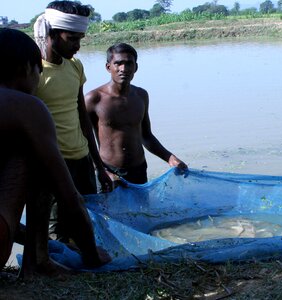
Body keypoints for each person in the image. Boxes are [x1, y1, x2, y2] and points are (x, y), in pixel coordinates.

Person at [0, 28, 110, 278]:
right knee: (39, 164)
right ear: (26, 69)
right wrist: (91, 255)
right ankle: (37, 261)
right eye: (38, 72)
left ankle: (36, 259)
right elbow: (69, 198)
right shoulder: (26, 107)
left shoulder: (74, 68)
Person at [33, 1, 113, 241]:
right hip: (52, 162)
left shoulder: (75, 66)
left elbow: (82, 117)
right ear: (51, 34)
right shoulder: (34, 71)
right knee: (56, 229)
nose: (77, 46)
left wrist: (99, 166)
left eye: (81, 39)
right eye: (71, 39)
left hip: (82, 159)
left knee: (86, 219)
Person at [85, 43, 187, 185]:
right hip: (109, 171)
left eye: (128, 64)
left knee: (142, 207)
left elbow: (146, 136)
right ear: (108, 67)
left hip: (138, 169)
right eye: (118, 64)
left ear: (136, 67)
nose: (123, 69)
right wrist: (101, 170)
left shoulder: (141, 95)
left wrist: (169, 157)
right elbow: (83, 142)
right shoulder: (94, 99)